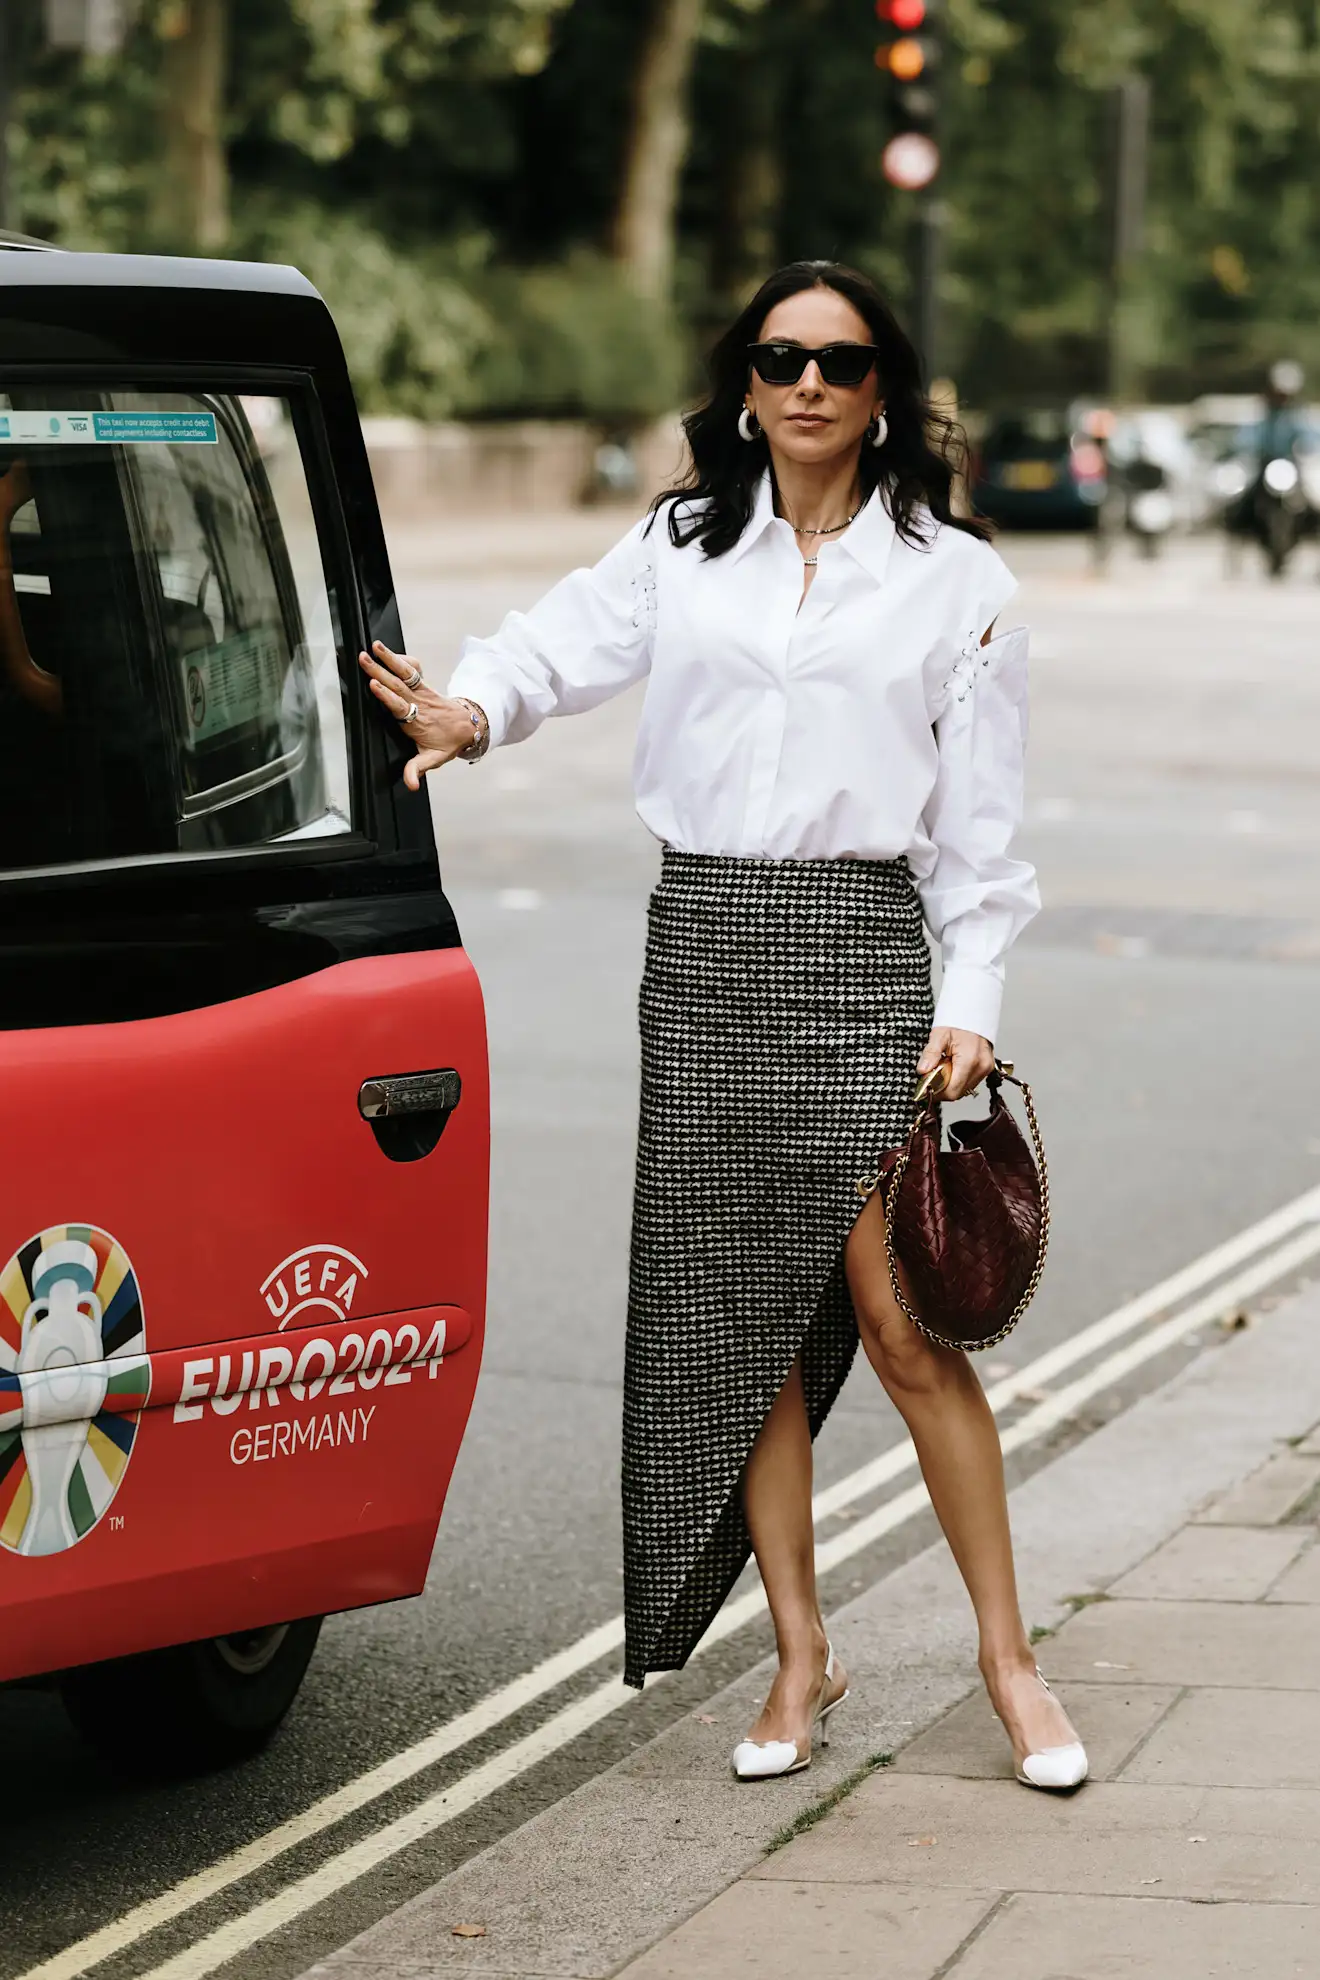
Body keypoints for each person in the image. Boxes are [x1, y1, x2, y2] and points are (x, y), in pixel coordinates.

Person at [358, 260, 1087, 1792]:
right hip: (704, 949)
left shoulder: (958, 583)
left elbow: (985, 836)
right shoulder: (682, 545)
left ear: (884, 389)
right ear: (745, 383)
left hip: (862, 951)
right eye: (780, 357)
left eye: (840, 359)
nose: (809, 384)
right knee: (737, 1329)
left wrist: (971, 1003)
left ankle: (1010, 1664)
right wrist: (470, 712)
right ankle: (800, 1659)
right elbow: (550, 650)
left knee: (907, 1330)